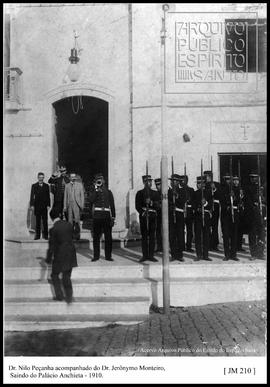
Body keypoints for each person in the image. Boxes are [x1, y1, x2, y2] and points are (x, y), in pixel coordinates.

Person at [46, 209, 77, 303]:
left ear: (51, 218)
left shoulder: (53, 229)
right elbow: (75, 236)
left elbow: (51, 246)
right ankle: (69, 296)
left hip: (59, 255)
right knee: (66, 275)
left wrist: (48, 259)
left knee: (54, 275)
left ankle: (59, 296)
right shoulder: (68, 224)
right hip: (71, 254)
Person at [89, 173, 115, 262]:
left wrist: (113, 217)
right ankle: (96, 256)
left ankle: (108, 256)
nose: (100, 181)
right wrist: (96, 189)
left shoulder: (108, 192)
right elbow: (91, 200)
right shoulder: (94, 191)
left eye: (101, 180)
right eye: (98, 180)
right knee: (96, 237)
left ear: (104, 181)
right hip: (97, 216)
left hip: (107, 216)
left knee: (108, 237)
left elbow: (112, 205)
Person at [135, 175, 159, 262]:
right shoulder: (139, 193)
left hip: (152, 216)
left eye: (150, 181)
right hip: (144, 216)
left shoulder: (155, 193)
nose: (149, 183)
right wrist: (143, 212)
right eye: (146, 181)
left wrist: (151, 202)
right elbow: (137, 206)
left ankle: (151, 255)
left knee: (152, 236)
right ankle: (145, 255)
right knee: (144, 236)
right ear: (143, 182)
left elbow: (158, 205)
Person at [245, 171, 265, 260]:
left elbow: (264, 199)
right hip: (252, 214)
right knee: (252, 234)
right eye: (252, 178)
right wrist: (256, 197)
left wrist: (262, 197)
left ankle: (260, 253)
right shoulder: (248, 188)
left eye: (255, 177)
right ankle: (253, 254)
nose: (253, 179)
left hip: (261, 213)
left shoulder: (261, 188)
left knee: (262, 234)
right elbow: (248, 202)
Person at [220, 173, 240, 261]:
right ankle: (227, 254)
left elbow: (239, 201)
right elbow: (221, 201)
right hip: (226, 214)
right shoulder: (222, 189)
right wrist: (228, 198)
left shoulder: (236, 189)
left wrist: (234, 197)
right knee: (226, 235)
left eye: (229, 179)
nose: (228, 181)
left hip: (234, 213)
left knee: (234, 234)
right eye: (226, 179)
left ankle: (233, 254)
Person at [192, 176, 213, 261]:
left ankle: (206, 255)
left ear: (204, 184)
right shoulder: (195, 193)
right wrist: (198, 206)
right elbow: (193, 204)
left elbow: (211, 204)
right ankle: (199, 255)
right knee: (198, 236)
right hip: (198, 216)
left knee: (206, 235)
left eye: (201, 183)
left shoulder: (208, 193)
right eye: (198, 183)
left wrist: (205, 203)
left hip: (206, 216)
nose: (199, 185)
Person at [168, 174, 185, 262]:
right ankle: (173, 254)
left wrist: (177, 196)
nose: (173, 182)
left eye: (175, 181)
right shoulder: (168, 192)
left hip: (179, 215)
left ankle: (180, 254)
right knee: (172, 236)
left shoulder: (182, 191)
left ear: (178, 182)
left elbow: (183, 202)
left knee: (180, 235)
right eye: (172, 181)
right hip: (171, 215)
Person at [63, 172, 85, 240]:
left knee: (77, 220)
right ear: (70, 178)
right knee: (70, 221)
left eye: (74, 177)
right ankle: (70, 235)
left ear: (75, 177)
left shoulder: (80, 185)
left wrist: (82, 205)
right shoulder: (67, 185)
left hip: (77, 204)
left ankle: (77, 235)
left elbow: (82, 196)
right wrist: (65, 206)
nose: (73, 178)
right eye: (71, 177)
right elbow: (65, 197)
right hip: (69, 204)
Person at [204, 170, 221, 251]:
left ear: (210, 176)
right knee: (207, 226)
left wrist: (214, 188)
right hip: (207, 207)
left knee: (214, 226)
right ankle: (208, 244)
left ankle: (215, 244)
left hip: (215, 207)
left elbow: (220, 195)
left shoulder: (216, 184)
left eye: (206, 176)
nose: (205, 178)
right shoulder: (204, 185)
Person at [30, 172, 50, 240]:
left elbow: (48, 196)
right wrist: (32, 205)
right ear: (38, 177)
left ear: (43, 178)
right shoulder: (34, 186)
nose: (41, 179)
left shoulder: (46, 186)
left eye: (42, 177)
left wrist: (48, 205)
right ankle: (37, 236)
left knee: (45, 221)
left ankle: (46, 235)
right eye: (40, 177)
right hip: (37, 206)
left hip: (44, 206)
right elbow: (32, 196)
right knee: (38, 221)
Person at [179, 174, 194, 252]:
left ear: (187, 181)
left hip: (189, 211)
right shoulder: (179, 190)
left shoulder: (191, 190)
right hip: (181, 211)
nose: (182, 182)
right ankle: (181, 246)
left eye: (183, 181)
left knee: (189, 230)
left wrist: (189, 199)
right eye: (181, 181)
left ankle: (188, 246)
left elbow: (194, 201)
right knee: (181, 229)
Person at [154, 178, 162, 252]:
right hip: (159, 214)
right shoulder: (156, 193)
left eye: (159, 185)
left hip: (166, 215)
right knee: (158, 230)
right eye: (156, 185)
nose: (157, 187)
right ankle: (160, 247)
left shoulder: (167, 192)